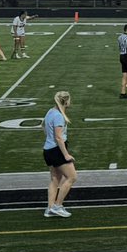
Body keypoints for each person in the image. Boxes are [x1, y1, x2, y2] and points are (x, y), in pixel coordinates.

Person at [43, 90, 76, 218]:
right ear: (66, 101)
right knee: (72, 177)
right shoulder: (58, 116)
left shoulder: (50, 111)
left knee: (55, 179)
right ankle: (57, 206)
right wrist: (66, 155)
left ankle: (50, 208)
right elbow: (58, 137)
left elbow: (44, 128)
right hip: (57, 150)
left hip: (48, 150)